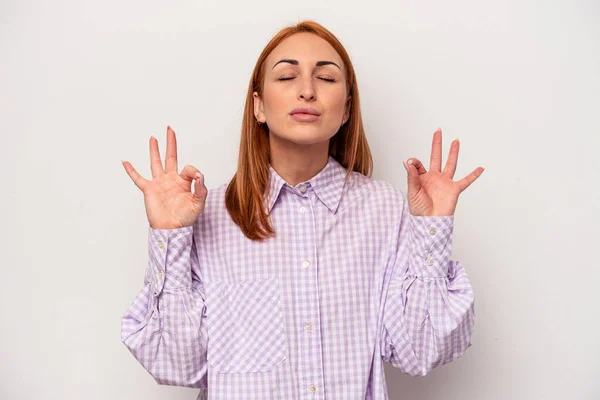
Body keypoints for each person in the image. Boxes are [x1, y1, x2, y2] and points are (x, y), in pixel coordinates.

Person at [120, 20, 483, 400]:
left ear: (346, 109)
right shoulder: (210, 214)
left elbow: (421, 351)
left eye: (326, 78)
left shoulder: (386, 210)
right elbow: (179, 364)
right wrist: (168, 234)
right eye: (287, 76)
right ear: (258, 105)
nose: (307, 91)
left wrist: (432, 228)